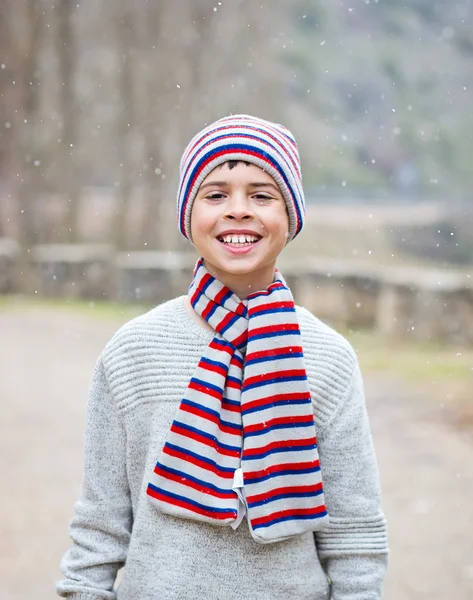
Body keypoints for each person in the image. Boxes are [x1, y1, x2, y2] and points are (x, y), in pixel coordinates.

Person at [57, 114, 388, 600]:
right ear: (187, 215)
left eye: (262, 194)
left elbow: (355, 535)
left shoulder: (328, 358)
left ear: (291, 216)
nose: (238, 211)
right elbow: (99, 526)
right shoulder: (133, 351)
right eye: (215, 195)